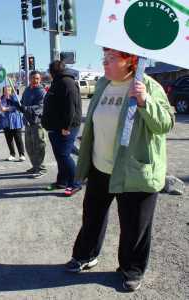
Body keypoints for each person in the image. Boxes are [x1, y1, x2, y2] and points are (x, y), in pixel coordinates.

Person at [65, 48, 175, 291]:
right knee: (92, 216)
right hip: (100, 167)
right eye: (104, 58)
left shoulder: (147, 85)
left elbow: (165, 124)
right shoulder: (104, 84)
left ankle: (132, 269)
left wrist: (146, 101)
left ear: (129, 61)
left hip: (134, 171)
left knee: (134, 226)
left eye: (111, 59)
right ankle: (86, 255)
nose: (105, 63)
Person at [42, 60, 82, 196]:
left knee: (64, 155)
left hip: (66, 127)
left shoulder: (67, 83)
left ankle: (76, 183)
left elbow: (70, 108)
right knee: (60, 156)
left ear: (53, 72)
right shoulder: (58, 82)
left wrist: (66, 126)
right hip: (55, 127)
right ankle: (62, 181)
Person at [20, 71, 46, 178]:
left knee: (39, 146)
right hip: (27, 122)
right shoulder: (26, 90)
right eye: (33, 78)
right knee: (29, 146)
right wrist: (17, 105)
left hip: (37, 123)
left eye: (37, 78)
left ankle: (41, 168)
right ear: (29, 79)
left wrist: (26, 108)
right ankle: (35, 166)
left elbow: (40, 107)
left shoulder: (41, 92)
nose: (35, 80)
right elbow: (22, 102)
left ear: (40, 79)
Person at [0, 86, 25, 161]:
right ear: (3, 91)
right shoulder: (1, 98)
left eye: (9, 90)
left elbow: (17, 107)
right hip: (5, 121)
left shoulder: (15, 97)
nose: (7, 91)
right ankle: (12, 154)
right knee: (9, 139)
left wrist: (6, 109)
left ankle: (21, 154)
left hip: (15, 121)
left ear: (11, 90)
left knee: (18, 138)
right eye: (6, 90)